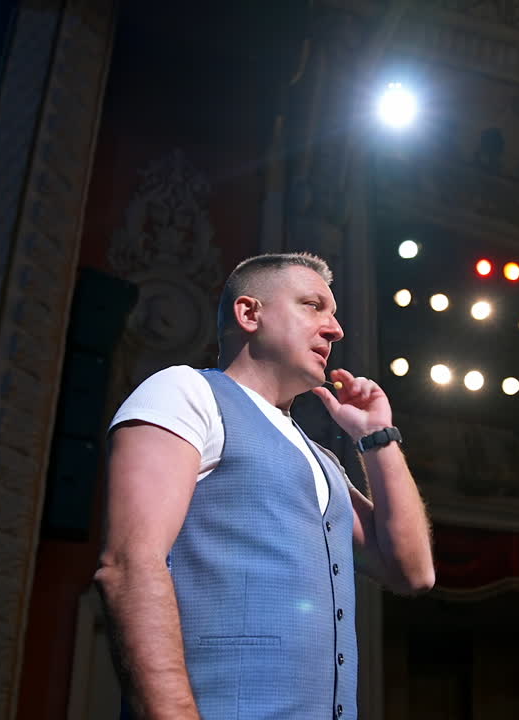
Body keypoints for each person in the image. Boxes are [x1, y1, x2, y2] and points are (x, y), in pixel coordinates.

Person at [96, 252, 435, 719]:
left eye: (334, 314)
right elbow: (129, 565)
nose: (335, 329)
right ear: (249, 313)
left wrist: (377, 438)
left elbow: (413, 572)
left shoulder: (323, 459)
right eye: (313, 306)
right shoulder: (186, 392)